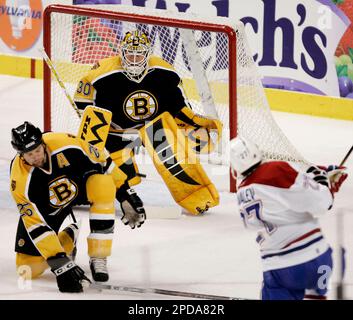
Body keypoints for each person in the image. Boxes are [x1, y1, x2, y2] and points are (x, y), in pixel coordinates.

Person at [73, 30, 222, 215]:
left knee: (178, 158)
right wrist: (93, 122)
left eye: (139, 54)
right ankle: (83, 192)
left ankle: (196, 196)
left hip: (153, 130)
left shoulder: (164, 71)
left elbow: (179, 106)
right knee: (122, 177)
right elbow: (83, 100)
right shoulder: (102, 72)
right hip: (117, 133)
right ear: (122, 52)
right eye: (130, 53)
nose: (134, 59)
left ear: (147, 53)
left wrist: (194, 124)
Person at [229, 136, 348, 300]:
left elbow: (276, 197)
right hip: (317, 260)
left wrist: (314, 180)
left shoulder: (242, 193)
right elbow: (322, 203)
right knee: (326, 272)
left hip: (278, 270)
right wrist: (326, 185)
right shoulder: (276, 169)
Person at [10, 121, 122, 293]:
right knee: (27, 268)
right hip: (47, 211)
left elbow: (102, 159)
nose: (36, 157)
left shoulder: (64, 142)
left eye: (38, 150)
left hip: (76, 191)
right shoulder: (19, 180)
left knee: (103, 183)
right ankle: (69, 237)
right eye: (29, 154)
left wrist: (126, 193)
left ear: (42, 143)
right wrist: (59, 263)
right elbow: (35, 224)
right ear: (20, 155)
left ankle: (99, 256)